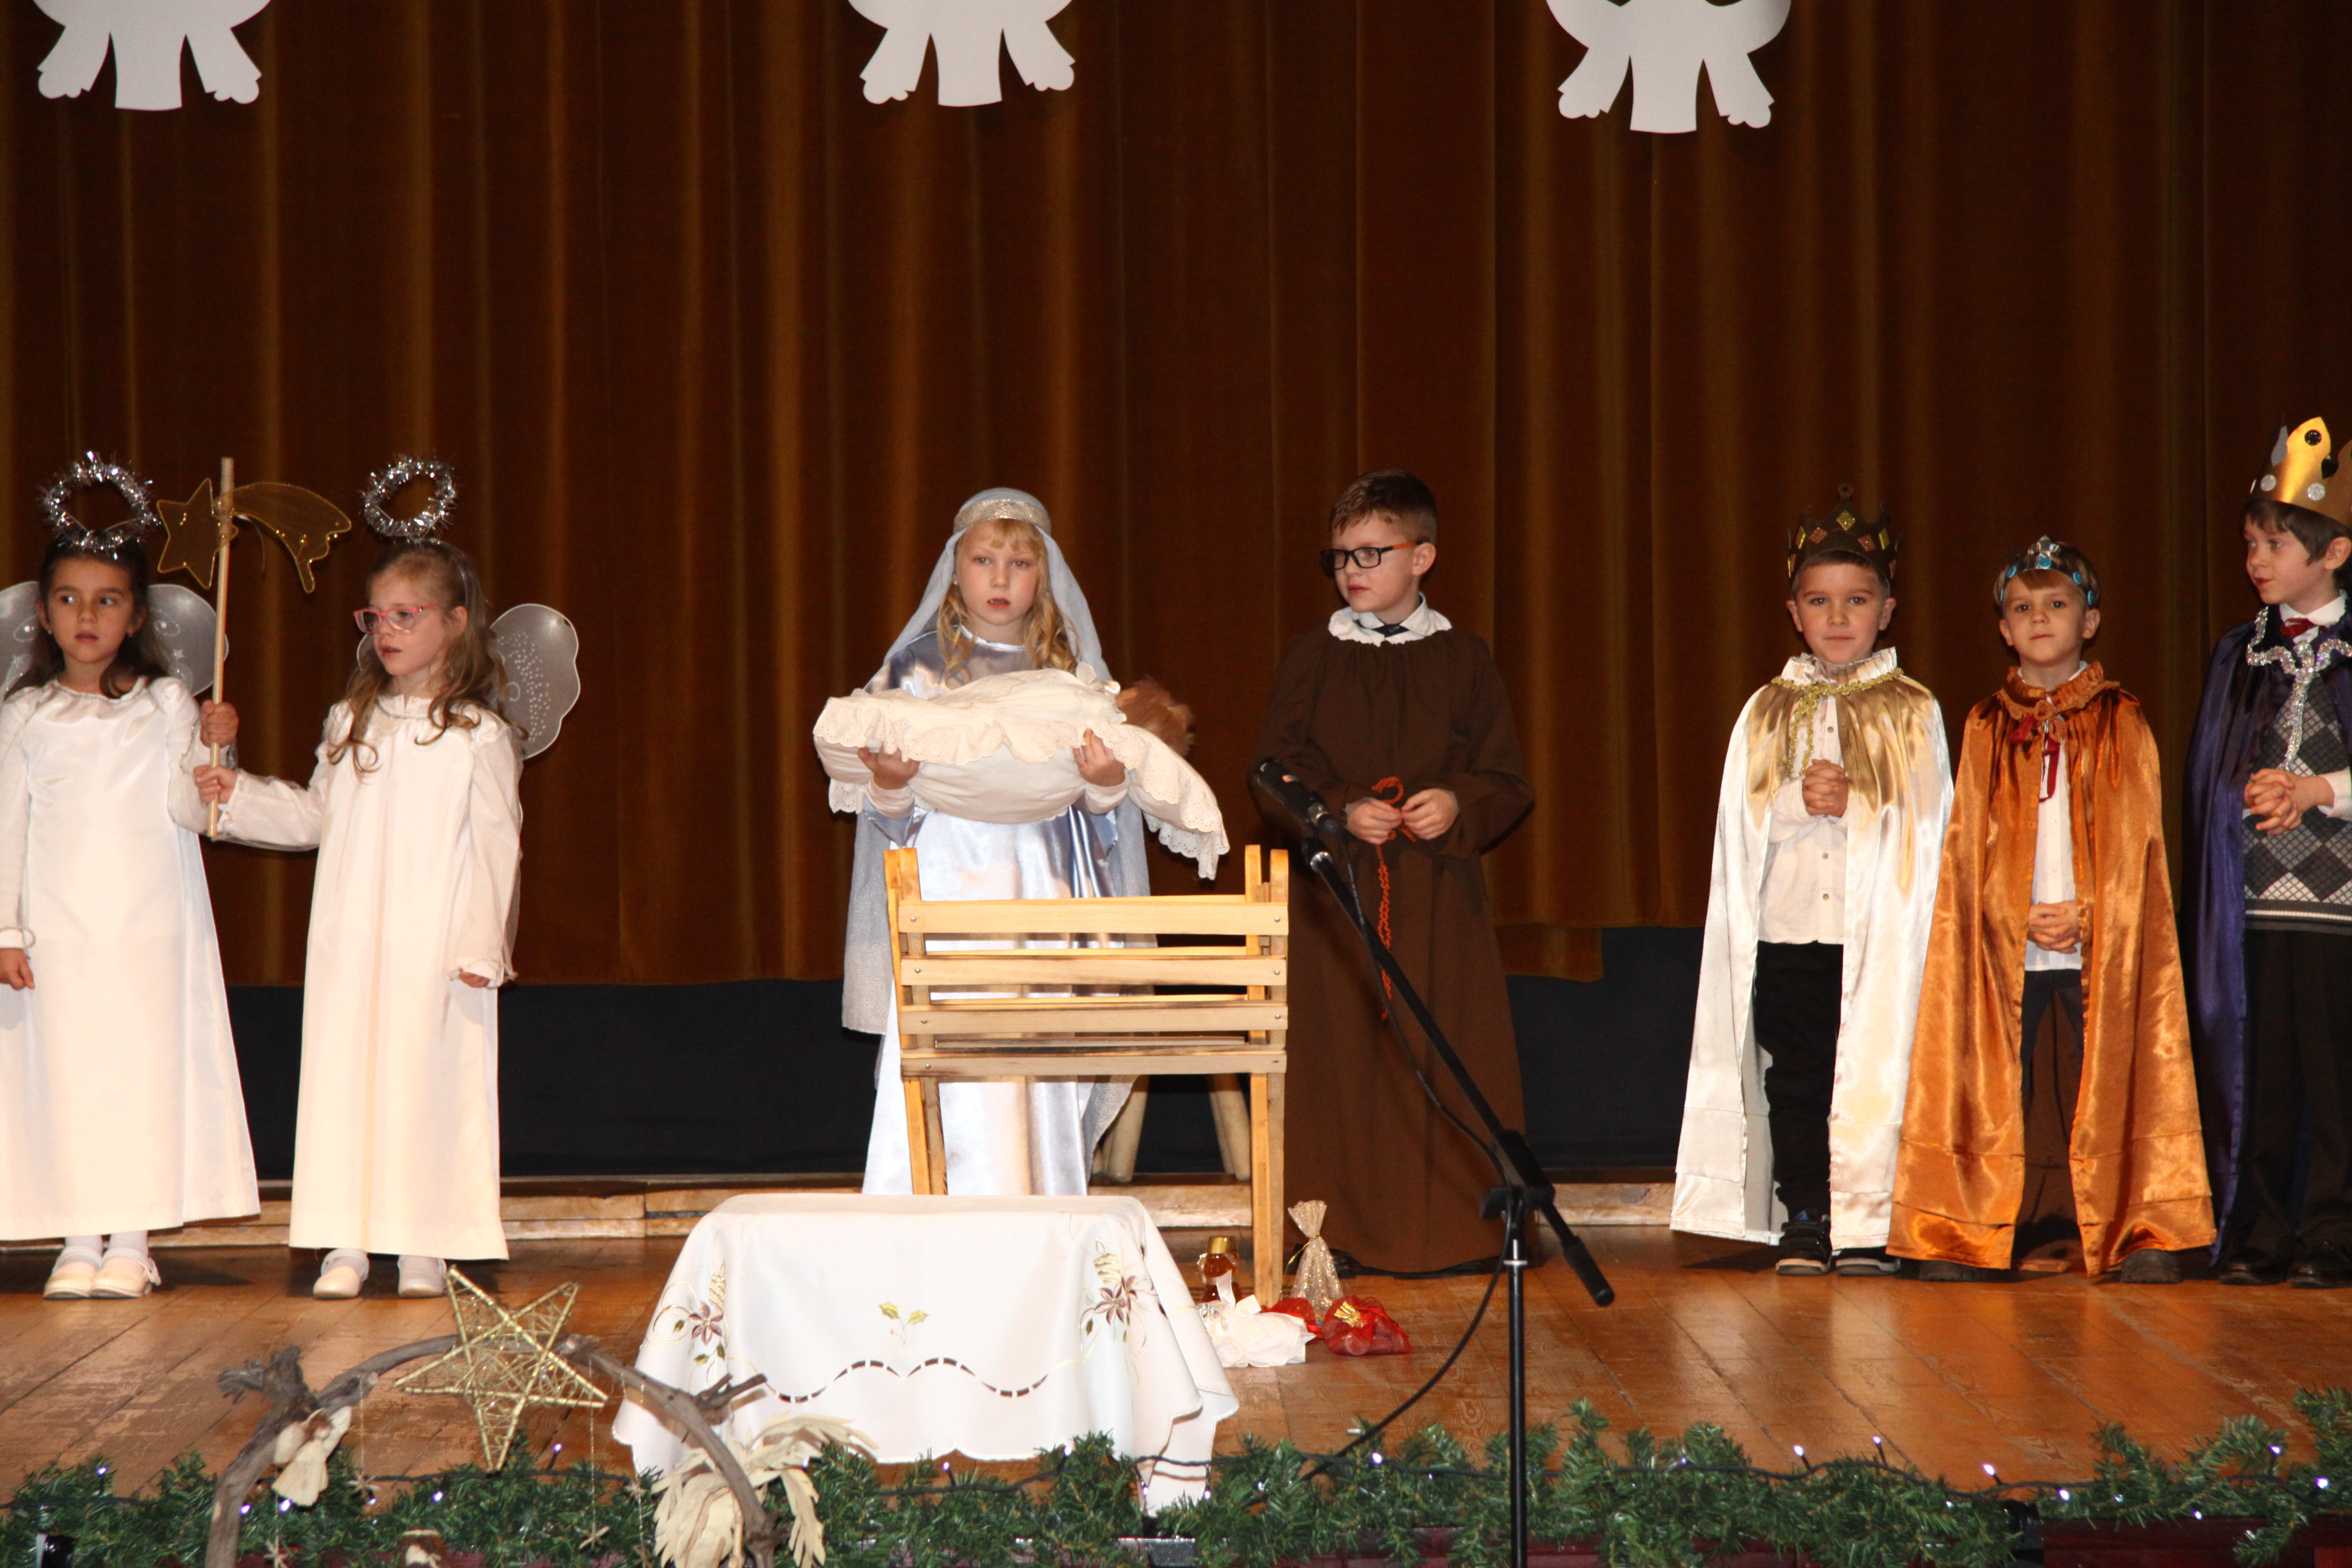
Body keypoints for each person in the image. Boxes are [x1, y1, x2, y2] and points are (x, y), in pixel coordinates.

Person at [196, 538, 522, 1301]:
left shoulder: (478, 735)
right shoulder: (352, 720)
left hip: (434, 944)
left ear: (456, 622)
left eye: (407, 614)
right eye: (376, 616)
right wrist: (237, 789)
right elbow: (317, 818)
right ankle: (344, 1241)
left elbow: (497, 845)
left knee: (426, 1083)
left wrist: (482, 945)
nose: (387, 630)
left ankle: (424, 1244)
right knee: (346, 1081)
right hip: (353, 940)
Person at [1889, 539, 2211, 1283]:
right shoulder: (1985, 725)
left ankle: (2142, 1229)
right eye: (2023, 608)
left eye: (2057, 605)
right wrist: (2012, 915)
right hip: (2013, 942)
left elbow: (2137, 846)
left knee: (2118, 1072)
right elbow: (1966, 850)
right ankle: (1970, 1232)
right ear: (2004, 629)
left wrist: (2090, 914)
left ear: (2088, 622)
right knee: (1999, 1082)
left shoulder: (2120, 719)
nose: (2040, 619)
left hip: (2098, 941)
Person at [1256, 469, 1534, 1274]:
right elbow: (1272, 769)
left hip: (1436, 895)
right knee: (1341, 1061)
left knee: (1442, 1049)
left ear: (1423, 556)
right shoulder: (1314, 654)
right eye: (1341, 555)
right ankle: (1331, 1234)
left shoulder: (1463, 657)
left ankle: (1457, 1233)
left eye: (1372, 552)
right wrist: (1338, 808)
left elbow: (1507, 779)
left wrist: (1455, 801)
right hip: (1339, 896)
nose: (1353, 569)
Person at [1673, 490, 1952, 1275]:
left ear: (1886, 611)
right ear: (1794, 612)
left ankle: (1871, 1222)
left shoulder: (1912, 710)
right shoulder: (1767, 711)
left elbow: (1929, 826)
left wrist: (1859, 804)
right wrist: (1798, 803)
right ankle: (1806, 1214)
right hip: (1791, 932)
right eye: (1820, 601)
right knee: (1798, 1078)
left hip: (1876, 940)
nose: (1838, 617)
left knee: (1875, 1071)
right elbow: (1741, 824)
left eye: (1856, 601)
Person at [839, 487, 1143, 1196]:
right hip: (947, 895)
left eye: (1020, 563)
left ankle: (1043, 1212)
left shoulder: (1072, 676)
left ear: (1044, 574)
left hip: (1043, 894)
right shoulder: (914, 672)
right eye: (984, 561)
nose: (1001, 579)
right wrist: (890, 785)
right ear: (955, 570)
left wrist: (1105, 786)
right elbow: (887, 816)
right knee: (948, 1055)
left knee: (1036, 1057)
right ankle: (925, 1221)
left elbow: (1101, 820)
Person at [0, 535, 256, 1299]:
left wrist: (217, 749)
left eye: (107, 600)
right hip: (60, 929)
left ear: (136, 616)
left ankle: (133, 1242)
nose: (88, 616)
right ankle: (80, 1237)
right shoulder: (26, 713)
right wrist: (6, 929)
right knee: (70, 1076)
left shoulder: (163, 701)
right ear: (44, 614)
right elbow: (6, 825)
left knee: (143, 1075)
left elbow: (191, 805)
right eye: (70, 599)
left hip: (148, 926)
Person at [2182, 417, 2352, 1289]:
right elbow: (2211, 769)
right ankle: (2259, 1230)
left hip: (2338, 904)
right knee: (2261, 1070)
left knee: (2334, 1073)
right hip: (2252, 899)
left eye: (2275, 544)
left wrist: (2315, 790)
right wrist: (2244, 796)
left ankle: (2332, 1233)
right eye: (2251, 543)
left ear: (2334, 552)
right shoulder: (2239, 654)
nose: (2256, 559)